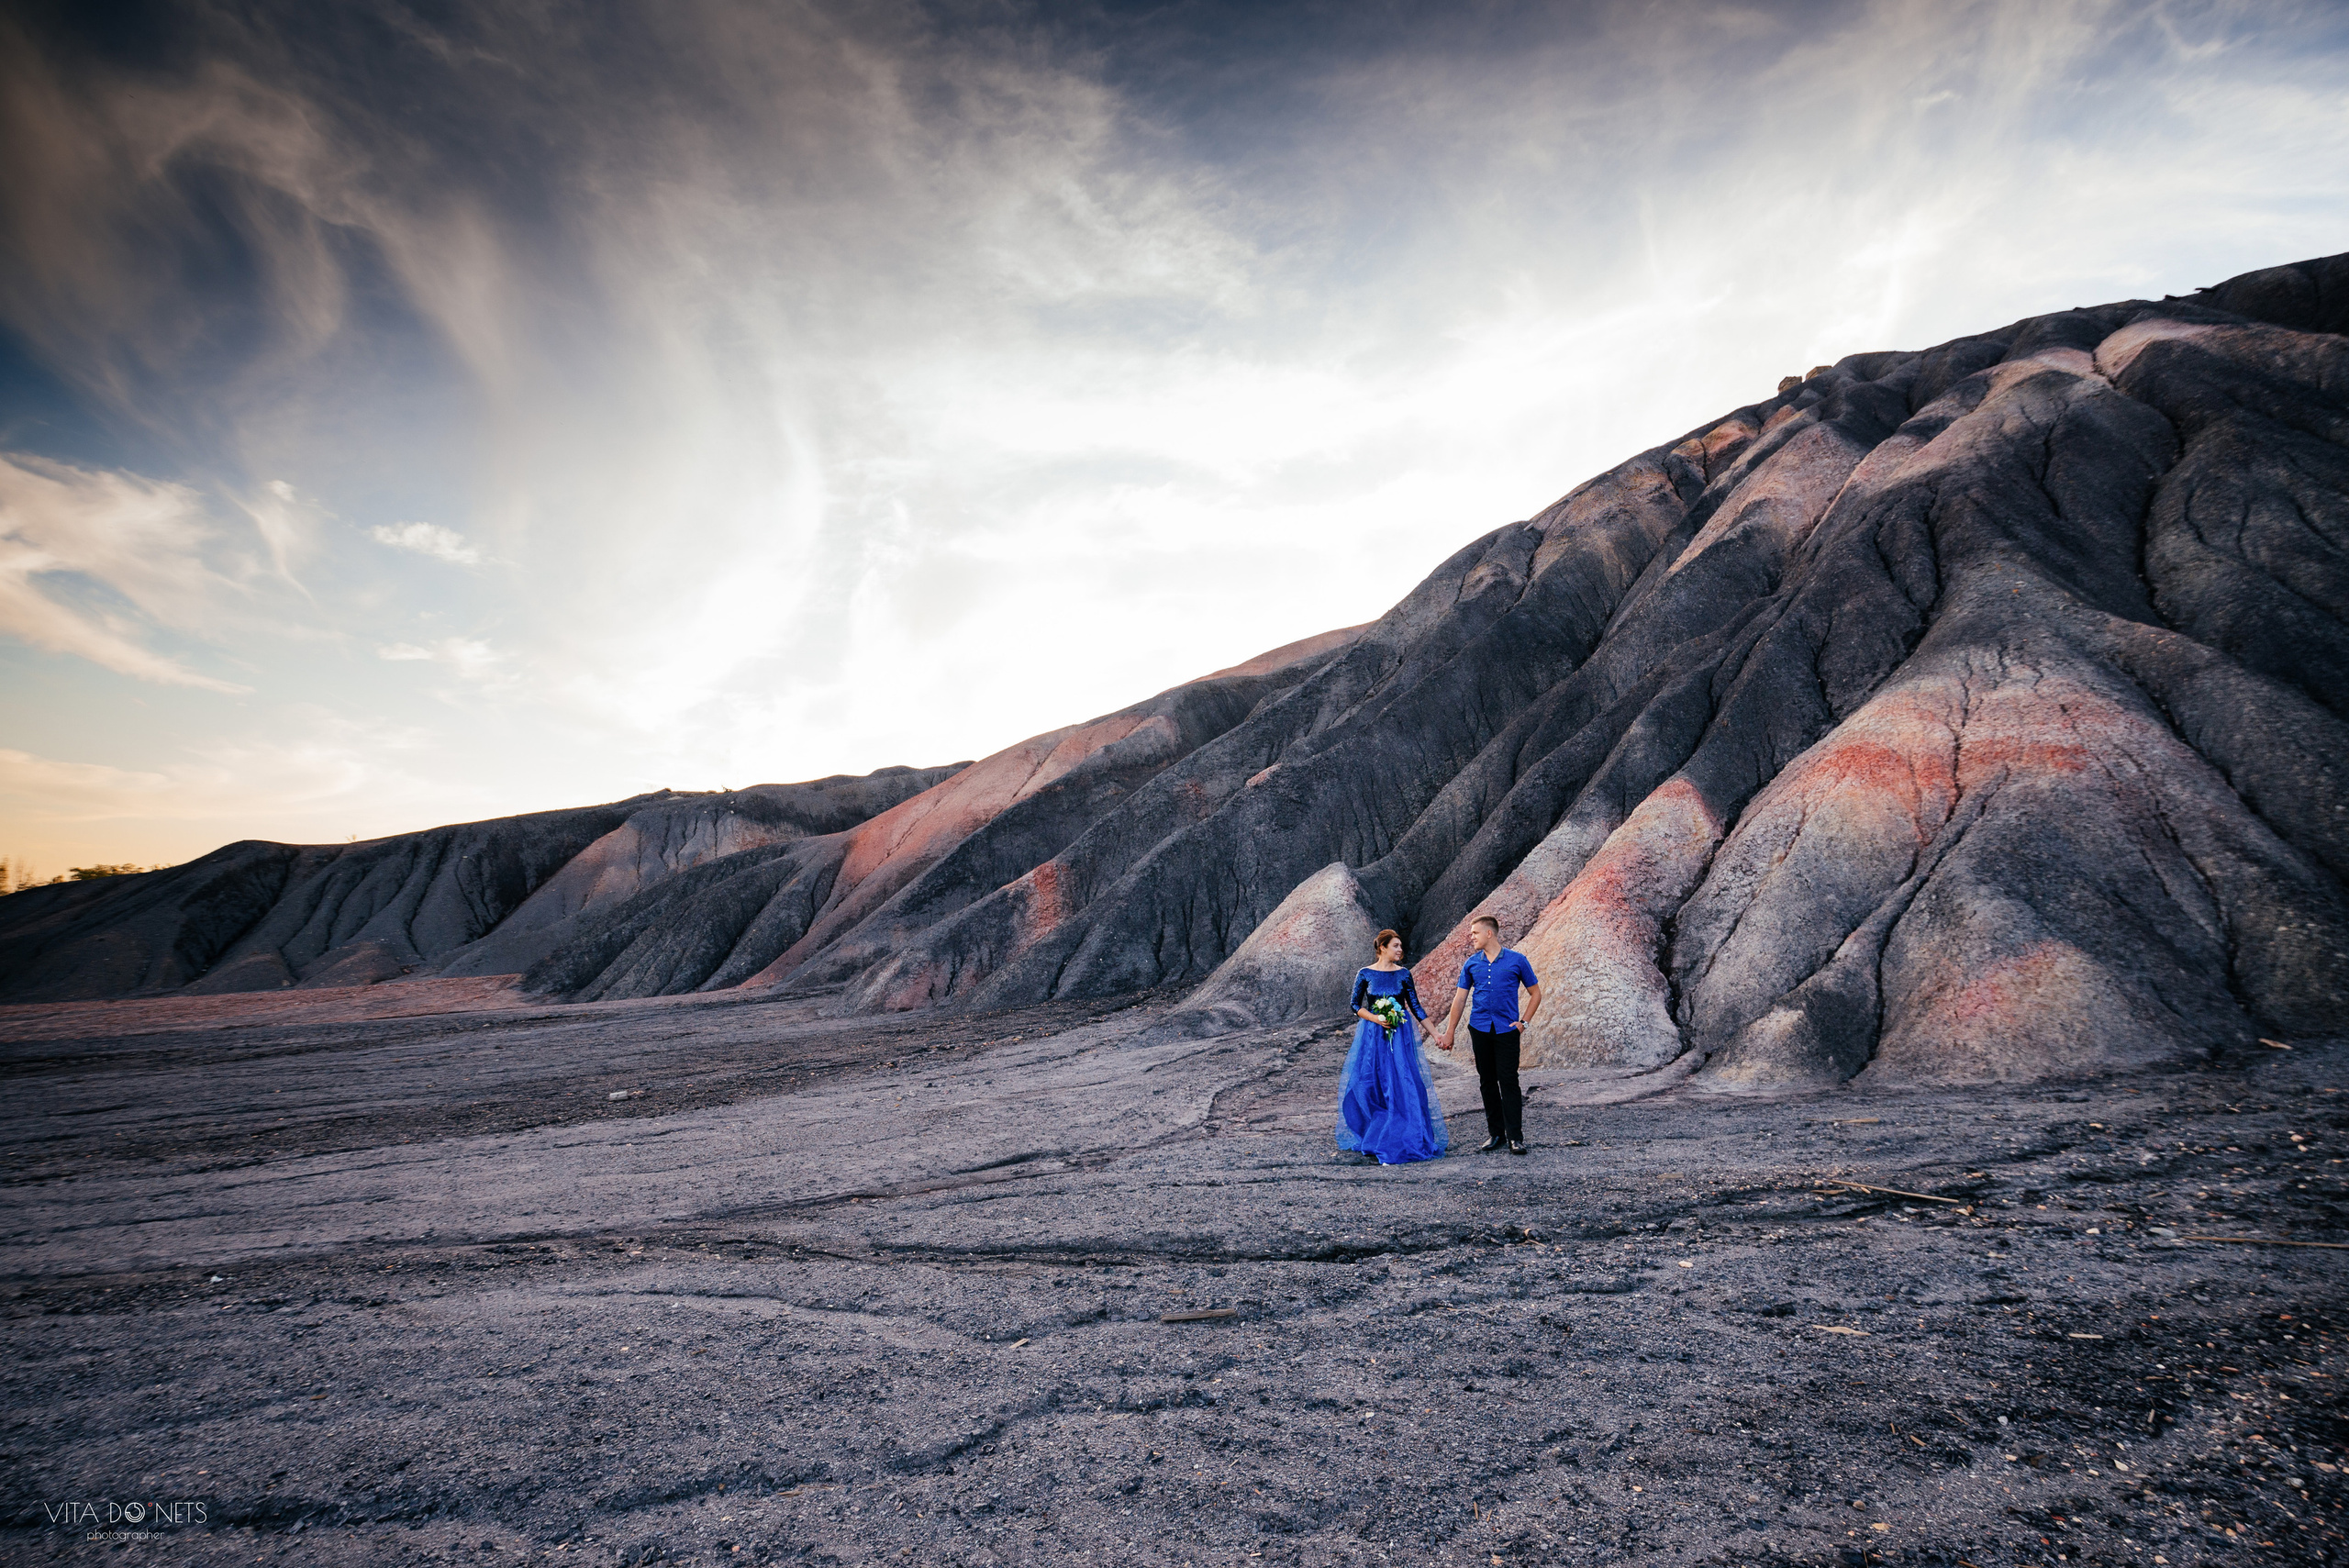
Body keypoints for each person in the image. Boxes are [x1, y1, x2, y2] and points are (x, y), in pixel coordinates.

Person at [1335, 929, 1449, 1165]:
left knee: (1401, 1079)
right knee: (1372, 1081)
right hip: (1372, 1034)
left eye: (1400, 946)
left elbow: (1415, 1007)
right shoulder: (1365, 974)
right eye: (1396, 946)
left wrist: (1436, 1034)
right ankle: (1376, 1132)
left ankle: (1404, 1134)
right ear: (1382, 947)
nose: (1400, 950)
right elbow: (1354, 1005)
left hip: (1399, 1034)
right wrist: (1375, 1018)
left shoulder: (1404, 974)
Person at [1436, 914, 1541, 1155]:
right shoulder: (1471, 964)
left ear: (1489, 933)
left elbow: (1536, 993)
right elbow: (1460, 999)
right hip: (1480, 1029)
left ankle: (1515, 1137)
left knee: (1509, 1081)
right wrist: (1450, 1032)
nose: (1471, 937)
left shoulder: (1518, 960)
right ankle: (1496, 1134)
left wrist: (1524, 1022)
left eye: (1475, 933)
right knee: (1487, 1082)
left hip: (1507, 1030)